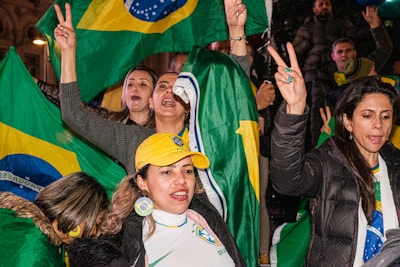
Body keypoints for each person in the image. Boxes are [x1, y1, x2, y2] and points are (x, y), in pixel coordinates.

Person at [54, 0, 250, 175]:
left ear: (189, 105)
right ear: (151, 102)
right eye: (162, 86)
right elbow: (73, 114)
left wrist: (236, 31)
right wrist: (68, 51)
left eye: (178, 88)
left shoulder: (204, 139)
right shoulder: (132, 141)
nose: (169, 91)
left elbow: (236, 98)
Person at [267, 42, 400, 266]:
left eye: (385, 116)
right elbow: (286, 181)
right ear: (347, 121)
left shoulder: (395, 164)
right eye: (367, 115)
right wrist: (295, 109)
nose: (378, 125)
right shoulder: (329, 161)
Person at [66, 133, 246, 266]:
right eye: (167, 172)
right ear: (142, 182)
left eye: (188, 170)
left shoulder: (206, 218)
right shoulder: (125, 242)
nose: (182, 180)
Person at [309, 6, 393, 148]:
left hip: (366, 136)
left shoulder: (364, 68)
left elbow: (385, 49)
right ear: (333, 56)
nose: (344, 55)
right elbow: (317, 112)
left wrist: (375, 26)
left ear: (354, 53)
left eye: (348, 51)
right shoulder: (322, 79)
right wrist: (318, 142)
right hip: (336, 137)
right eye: (340, 52)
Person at [0, 172, 109, 266]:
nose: (94, 232)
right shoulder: (37, 250)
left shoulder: (16, 220)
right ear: (77, 213)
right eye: (96, 222)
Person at [35, 64, 158, 126]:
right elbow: (74, 107)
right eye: (130, 84)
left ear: (154, 94)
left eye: (143, 84)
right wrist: (38, 84)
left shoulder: (161, 130)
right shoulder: (111, 121)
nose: (134, 88)